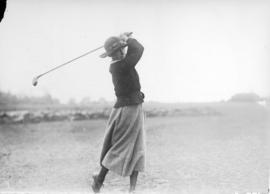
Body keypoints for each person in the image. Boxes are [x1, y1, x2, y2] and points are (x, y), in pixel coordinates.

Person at [91, 32, 145, 193]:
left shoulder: (120, 64)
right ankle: (99, 180)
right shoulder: (120, 66)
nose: (123, 51)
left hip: (132, 107)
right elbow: (139, 49)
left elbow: (132, 53)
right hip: (127, 110)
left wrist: (122, 40)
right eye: (121, 49)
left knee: (137, 147)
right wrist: (126, 39)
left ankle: (132, 190)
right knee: (120, 147)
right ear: (114, 53)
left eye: (123, 49)